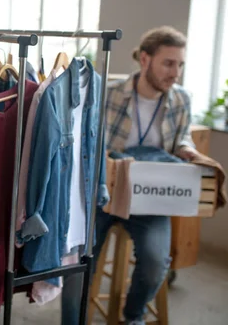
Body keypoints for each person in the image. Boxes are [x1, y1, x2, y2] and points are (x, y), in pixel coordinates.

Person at [61, 25, 197, 325]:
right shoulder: (108, 94)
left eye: (180, 64)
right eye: (169, 63)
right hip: (102, 193)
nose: (176, 72)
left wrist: (188, 150)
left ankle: (132, 318)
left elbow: (183, 137)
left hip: (150, 198)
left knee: (154, 262)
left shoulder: (181, 100)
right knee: (77, 261)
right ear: (145, 60)